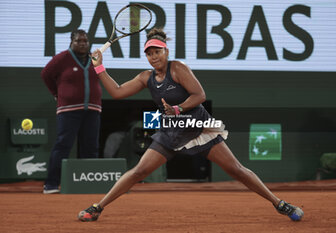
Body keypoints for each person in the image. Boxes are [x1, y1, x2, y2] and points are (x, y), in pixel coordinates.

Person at [78, 28, 303, 221]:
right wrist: (99, 68)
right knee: (139, 171)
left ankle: (279, 203)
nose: (154, 57)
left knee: (236, 169)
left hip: (198, 126)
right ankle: (98, 207)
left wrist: (178, 109)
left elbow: (199, 95)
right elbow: (117, 92)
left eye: (157, 52)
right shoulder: (145, 77)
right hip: (171, 131)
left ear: (166, 52)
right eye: (149, 53)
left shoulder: (178, 69)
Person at [41, 29, 102, 194]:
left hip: (93, 109)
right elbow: (45, 74)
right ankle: (51, 184)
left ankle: (88, 184)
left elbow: (102, 76)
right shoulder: (62, 58)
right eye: (79, 41)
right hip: (68, 110)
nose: (83, 44)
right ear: (71, 42)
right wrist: (57, 94)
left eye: (85, 41)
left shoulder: (94, 58)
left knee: (91, 147)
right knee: (63, 145)